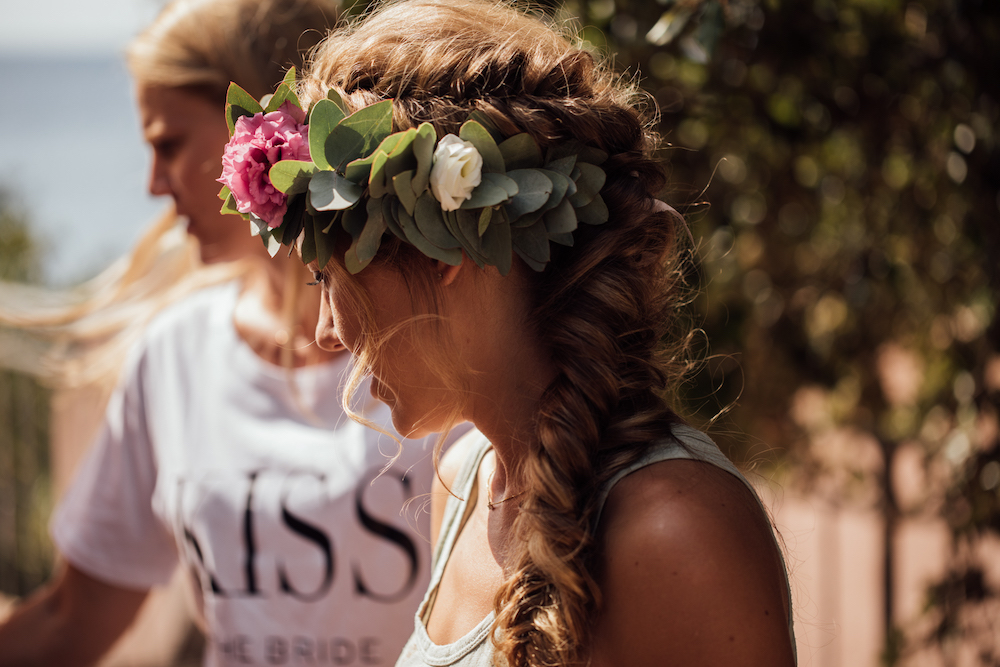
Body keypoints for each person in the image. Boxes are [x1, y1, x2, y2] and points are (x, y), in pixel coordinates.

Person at [219, 0, 799, 664]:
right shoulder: (464, 481)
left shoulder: (674, 531)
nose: (326, 332)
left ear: (442, 249)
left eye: (329, 279)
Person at [0, 0, 456, 665]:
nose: (154, 184)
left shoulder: (432, 345)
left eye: (168, 145)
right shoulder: (174, 355)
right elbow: (75, 619)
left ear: (259, 132)